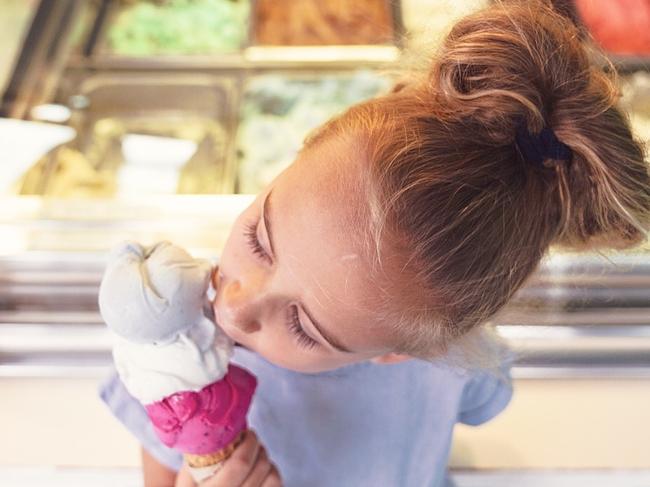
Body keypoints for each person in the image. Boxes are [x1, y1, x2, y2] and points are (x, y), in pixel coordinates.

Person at [99, 1, 650, 486]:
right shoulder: (178, 345)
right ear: (294, 159)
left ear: (407, 349)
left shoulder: (446, 354)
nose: (235, 306)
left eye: (302, 326)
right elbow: (485, 400)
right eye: (259, 239)